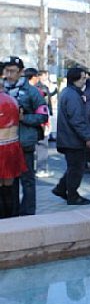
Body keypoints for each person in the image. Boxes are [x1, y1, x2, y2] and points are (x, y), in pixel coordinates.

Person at [3, 56, 48, 215]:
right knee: (10, 180)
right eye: (7, 71)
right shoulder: (2, 90)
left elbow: (43, 116)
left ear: (21, 72)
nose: (9, 75)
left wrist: (24, 118)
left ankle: (28, 213)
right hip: (6, 145)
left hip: (24, 142)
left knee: (27, 180)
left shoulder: (32, 92)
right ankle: (12, 212)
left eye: (13, 71)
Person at [52, 67, 90, 205]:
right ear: (75, 79)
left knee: (73, 167)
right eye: (82, 78)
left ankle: (61, 188)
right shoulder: (72, 95)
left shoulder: (69, 92)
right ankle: (73, 195)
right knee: (77, 168)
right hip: (72, 139)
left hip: (69, 138)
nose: (84, 81)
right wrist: (87, 137)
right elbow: (77, 120)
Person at [0, 70, 27, 218]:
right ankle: (10, 217)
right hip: (13, 146)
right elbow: (20, 117)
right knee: (9, 186)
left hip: (2, 146)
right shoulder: (13, 100)